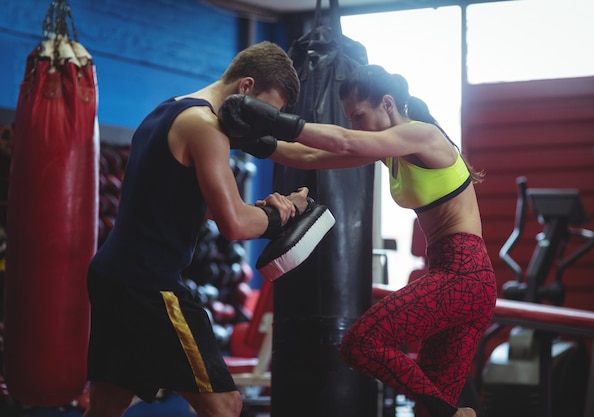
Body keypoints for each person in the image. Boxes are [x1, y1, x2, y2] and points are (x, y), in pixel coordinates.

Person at [218, 64, 498, 417]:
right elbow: (312, 156)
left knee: (362, 342)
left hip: (465, 274)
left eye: (359, 115)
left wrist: (273, 119)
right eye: (350, 118)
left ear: (387, 104)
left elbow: (346, 141)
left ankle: (455, 413)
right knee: (427, 406)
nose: (354, 125)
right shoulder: (392, 151)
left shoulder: (423, 136)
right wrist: (250, 142)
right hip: (456, 275)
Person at [83, 41, 310, 417]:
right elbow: (233, 225)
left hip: (111, 275)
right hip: (148, 284)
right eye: (266, 111)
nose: (262, 122)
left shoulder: (167, 110)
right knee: (225, 403)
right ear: (246, 88)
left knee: (108, 402)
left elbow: (196, 205)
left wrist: (256, 209)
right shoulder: (205, 125)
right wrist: (285, 214)